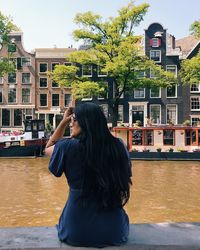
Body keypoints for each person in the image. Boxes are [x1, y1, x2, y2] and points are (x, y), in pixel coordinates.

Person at [45, 103, 132, 247]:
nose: (71, 123)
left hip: (76, 232)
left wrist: (63, 123)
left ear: (85, 122)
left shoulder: (67, 147)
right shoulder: (119, 146)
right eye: (70, 120)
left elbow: (47, 149)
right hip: (115, 231)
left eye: (74, 119)